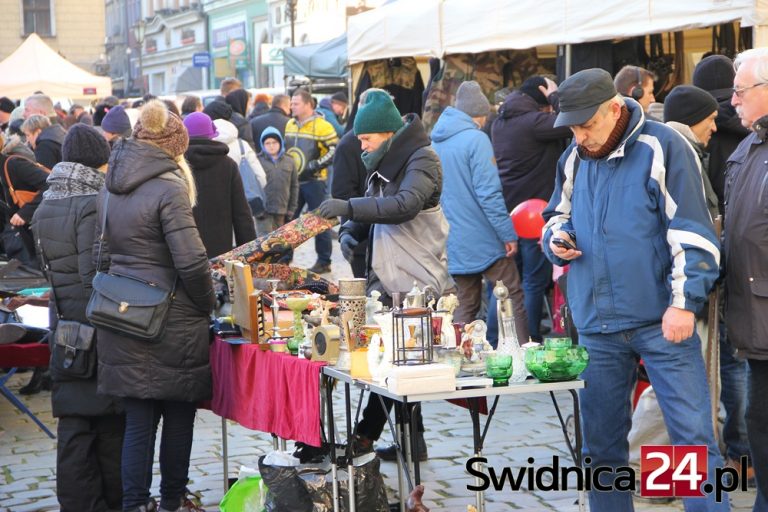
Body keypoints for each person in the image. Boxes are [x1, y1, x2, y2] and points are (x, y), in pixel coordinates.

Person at [542, 68, 726, 511]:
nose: (580, 135)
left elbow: (694, 232)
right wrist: (557, 239)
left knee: (691, 445)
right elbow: (554, 215)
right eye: (572, 126)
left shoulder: (662, 145)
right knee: (602, 449)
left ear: (614, 107)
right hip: (596, 324)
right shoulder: (572, 157)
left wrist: (684, 304)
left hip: (661, 320)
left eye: (587, 125)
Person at [317, 89, 452, 462]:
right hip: (390, 276)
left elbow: (404, 205)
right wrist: (350, 231)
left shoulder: (422, 160)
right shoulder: (383, 160)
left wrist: (349, 207)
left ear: (387, 133)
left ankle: (364, 436)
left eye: (366, 138)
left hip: (417, 279)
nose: (361, 145)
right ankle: (413, 443)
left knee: (395, 362)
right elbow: (376, 213)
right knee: (398, 363)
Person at [95, 100, 216, 512]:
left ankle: (134, 506)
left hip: (122, 315)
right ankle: (170, 502)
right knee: (178, 418)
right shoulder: (169, 187)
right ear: (175, 148)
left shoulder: (110, 184)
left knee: (138, 424)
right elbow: (192, 261)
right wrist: (207, 303)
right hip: (172, 319)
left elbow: (103, 256)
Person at [31, 124, 125, 512]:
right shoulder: (93, 201)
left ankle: (77, 503)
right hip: (96, 328)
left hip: (64, 328)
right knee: (107, 427)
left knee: (73, 425)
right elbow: (94, 276)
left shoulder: (48, 200)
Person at [692, 53, 753, 482]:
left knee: (717, 365)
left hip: (716, 259)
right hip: (746, 260)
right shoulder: (750, 131)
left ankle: (732, 457)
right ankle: (744, 454)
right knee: (740, 361)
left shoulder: (703, 133)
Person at [431, 80, 529, 340]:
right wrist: (507, 234)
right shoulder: (476, 139)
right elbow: (489, 194)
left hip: (450, 239)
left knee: (464, 305)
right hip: (483, 238)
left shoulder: (434, 141)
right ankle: (519, 357)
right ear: (481, 115)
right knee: (511, 297)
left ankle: (459, 364)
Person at [491, 75, 572, 341]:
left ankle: (498, 337)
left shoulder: (500, 123)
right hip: (534, 216)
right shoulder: (534, 123)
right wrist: (556, 97)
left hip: (510, 215)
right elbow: (569, 121)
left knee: (506, 284)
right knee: (534, 282)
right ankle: (532, 340)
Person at [723, 47, 768, 510]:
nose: (732, 101)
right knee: (759, 421)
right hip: (753, 314)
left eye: (739, 91)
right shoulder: (749, 145)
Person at [183, 111, 255, 257]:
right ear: (212, 135)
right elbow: (242, 215)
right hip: (221, 252)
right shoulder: (228, 166)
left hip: (185, 253)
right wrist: (250, 256)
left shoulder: (177, 167)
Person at [285, 89, 338, 274]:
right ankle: (284, 259)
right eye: (291, 103)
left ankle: (324, 261)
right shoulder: (289, 124)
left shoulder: (323, 126)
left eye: (296, 103)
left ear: (309, 105)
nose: (292, 106)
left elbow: (334, 150)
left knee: (318, 222)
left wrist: (315, 165)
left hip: (315, 181)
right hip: (294, 182)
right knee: (289, 221)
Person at [663, 85, 720, 219]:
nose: (714, 128)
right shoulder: (680, 160)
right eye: (711, 119)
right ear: (692, 119)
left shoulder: (683, 154)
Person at [330, 92, 369, 279]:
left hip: (384, 239)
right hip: (360, 240)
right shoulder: (348, 144)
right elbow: (341, 191)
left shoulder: (390, 143)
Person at [256, 126, 298, 236]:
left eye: (274, 142)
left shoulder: (289, 161)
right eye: (267, 143)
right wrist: (256, 208)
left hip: (282, 210)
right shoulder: (257, 161)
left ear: (280, 143)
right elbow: (252, 186)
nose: (271, 146)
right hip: (264, 211)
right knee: (264, 243)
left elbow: (294, 186)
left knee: (280, 243)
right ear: (262, 144)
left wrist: (292, 208)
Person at [23, 93, 66, 169]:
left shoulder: (44, 144)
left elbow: (43, 177)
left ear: (41, 113)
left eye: (27, 110)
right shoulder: (59, 131)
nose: (23, 114)